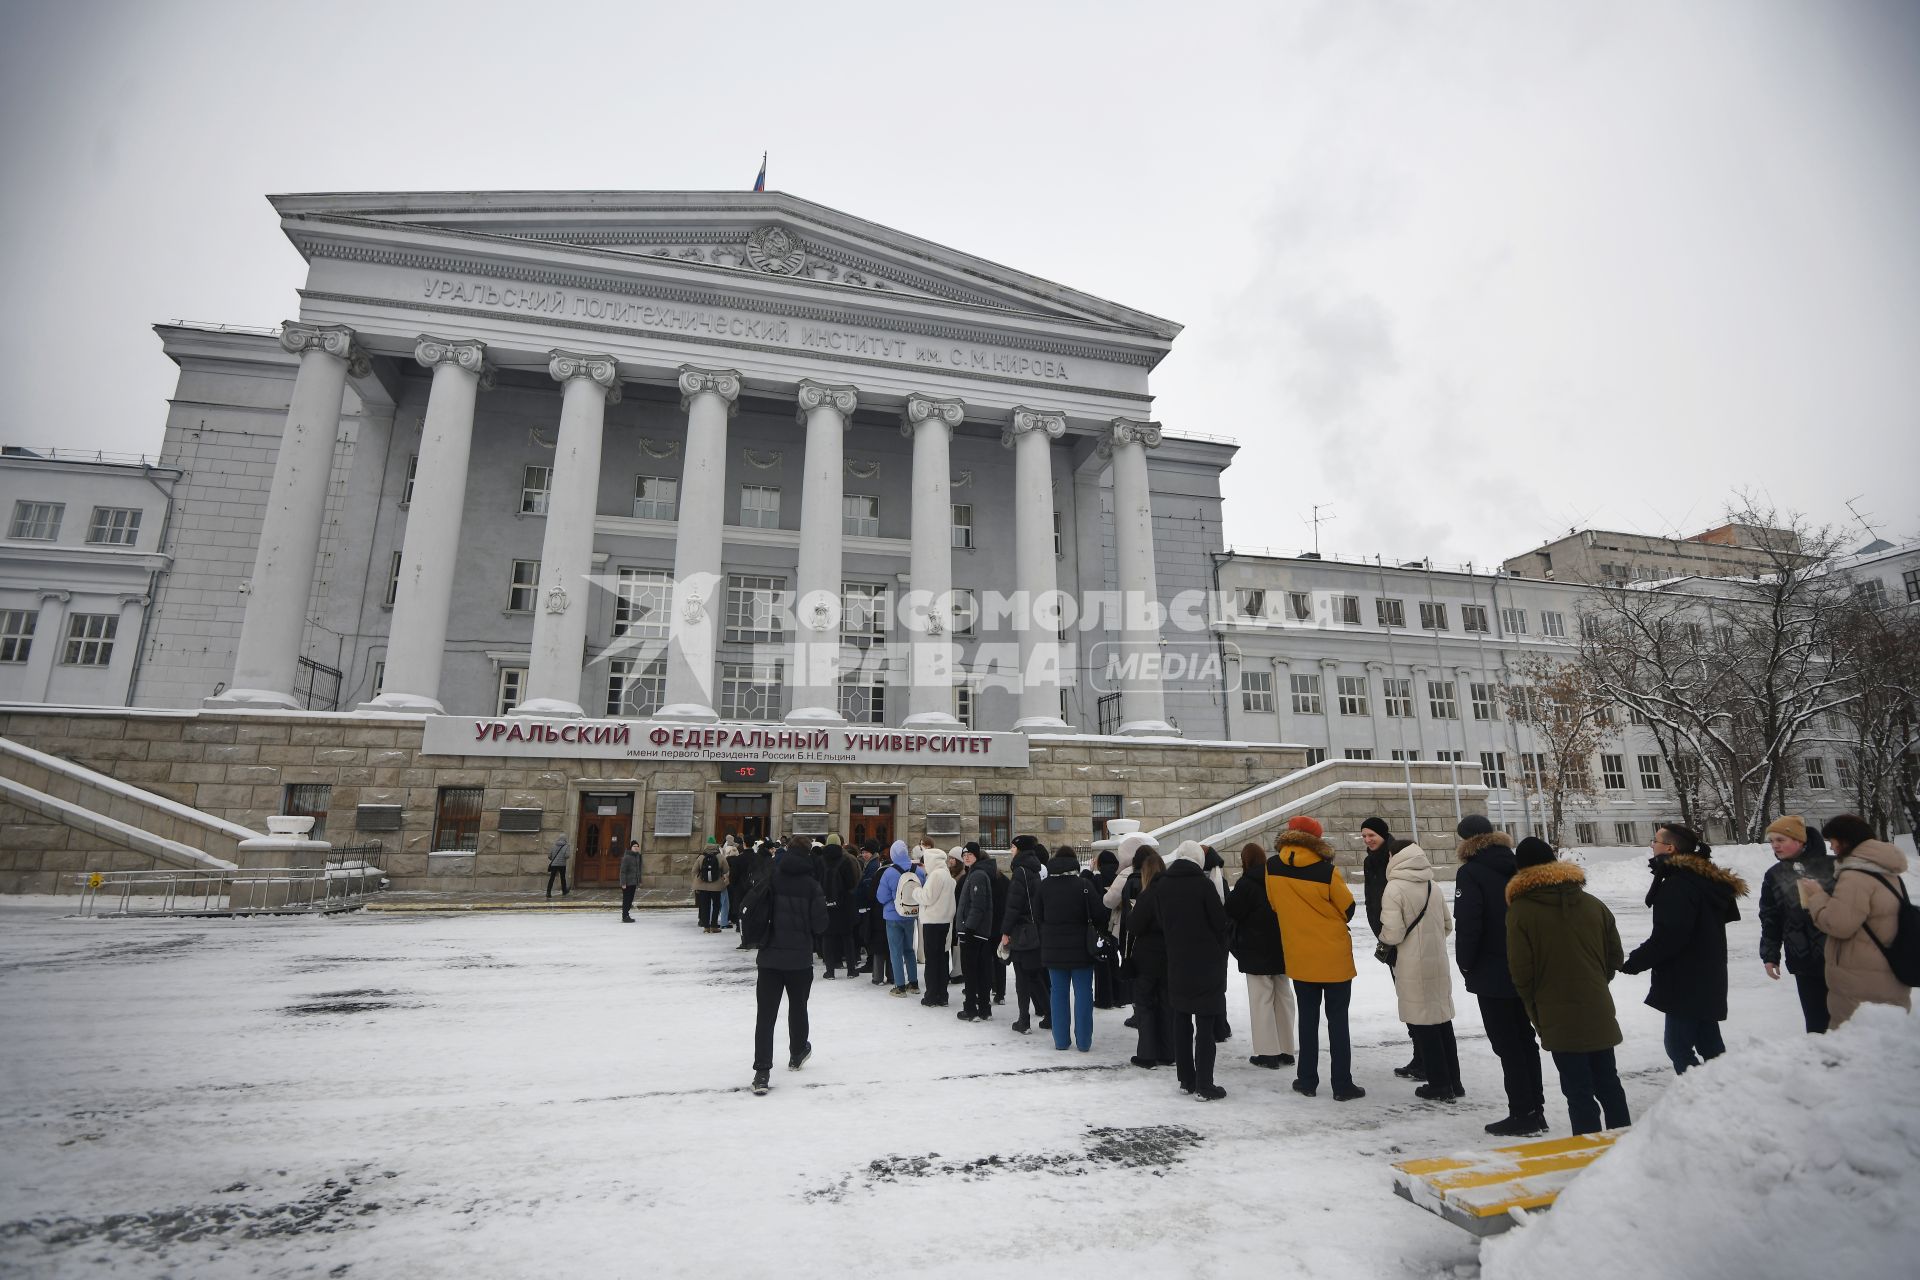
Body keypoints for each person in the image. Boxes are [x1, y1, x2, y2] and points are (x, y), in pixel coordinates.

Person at [1505, 838, 1631, 1136]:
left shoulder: (1520, 911)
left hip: (1554, 1010)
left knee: (1577, 1091)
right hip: (1598, 1005)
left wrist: (1534, 1004)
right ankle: (1625, 1150)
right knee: (1609, 1082)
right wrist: (1595, 983)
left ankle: (1587, 1154)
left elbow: (1521, 972)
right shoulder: (1593, 904)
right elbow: (1615, 956)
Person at [1619, 823, 1748, 1074]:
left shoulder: (1678, 885)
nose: (1652, 845)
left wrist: (1634, 962)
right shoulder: (1702, 879)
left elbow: (1670, 936)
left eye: (1655, 841)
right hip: (1706, 975)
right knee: (1710, 1045)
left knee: (1678, 1046)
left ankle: (1698, 1099)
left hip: (1686, 980)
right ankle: (1726, 1092)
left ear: (1670, 848)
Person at [1454, 816, 1546, 1135]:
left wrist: (1465, 964)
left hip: (1491, 970)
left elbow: (1469, 924)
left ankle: (1522, 1113)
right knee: (1525, 1039)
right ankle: (1536, 1108)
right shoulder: (1517, 864)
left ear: (1465, 840)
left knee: (1507, 1044)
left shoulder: (1471, 872)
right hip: (1524, 965)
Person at [1265, 815, 1364, 1101]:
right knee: (1338, 1023)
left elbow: (1274, 904)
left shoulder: (1272, 867)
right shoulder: (1325, 870)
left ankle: (1306, 1079)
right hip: (1333, 956)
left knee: (1307, 1021)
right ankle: (1342, 1085)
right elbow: (1347, 908)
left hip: (1300, 955)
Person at [1799, 813, 1913, 1027]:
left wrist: (1817, 896)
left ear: (1845, 841)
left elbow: (1838, 924)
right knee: (1886, 1044)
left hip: (1860, 980)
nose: (1831, 848)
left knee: (1856, 1047)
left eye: (1832, 841)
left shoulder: (1855, 876)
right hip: (1887, 971)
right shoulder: (1885, 870)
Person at [1139, 840, 1232, 1099]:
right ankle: (1205, 1084)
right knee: (1204, 1024)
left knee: (1180, 1020)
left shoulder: (1163, 885)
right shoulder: (1203, 885)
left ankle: (1186, 1079)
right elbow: (1220, 921)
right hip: (1206, 964)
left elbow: (1160, 919)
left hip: (1176, 961)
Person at [1380, 841, 1460, 1102]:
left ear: (1395, 857)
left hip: (1411, 963)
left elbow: (1393, 933)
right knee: (1442, 1021)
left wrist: (1384, 940)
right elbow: (1448, 925)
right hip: (1437, 961)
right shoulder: (1432, 885)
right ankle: (1454, 1082)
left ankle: (1439, 1085)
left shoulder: (1394, 888)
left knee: (1424, 1024)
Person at [749, 837, 830, 1096]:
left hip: (770, 957)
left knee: (766, 1016)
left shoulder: (772, 877)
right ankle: (797, 1053)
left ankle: (762, 1071)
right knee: (798, 1007)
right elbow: (820, 925)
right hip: (799, 959)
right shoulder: (811, 885)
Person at [1758, 815, 1835, 1033]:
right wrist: (1770, 955)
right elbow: (1770, 918)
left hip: (1840, 957)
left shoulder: (1833, 866)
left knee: (1847, 1024)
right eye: (1772, 841)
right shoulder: (1775, 874)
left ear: (1800, 840)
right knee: (1817, 1026)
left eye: (1781, 840)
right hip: (1803, 960)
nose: (1775, 846)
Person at [1360, 817, 1422, 1081]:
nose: (1368, 840)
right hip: (1387, 937)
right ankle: (1420, 1054)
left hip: (1403, 937)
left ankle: (1424, 1056)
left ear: (1384, 834)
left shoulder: (1396, 855)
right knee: (1406, 999)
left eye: (1372, 835)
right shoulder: (1369, 861)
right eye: (1364, 836)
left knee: (1415, 1000)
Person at [1226, 842, 1295, 1070]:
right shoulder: (1278, 879)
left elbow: (1232, 911)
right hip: (1282, 946)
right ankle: (1286, 1049)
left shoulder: (1246, 884)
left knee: (1261, 999)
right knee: (1284, 996)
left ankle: (1267, 1053)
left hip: (1255, 949)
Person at [1034, 844, 1106, 1052]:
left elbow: (1038, 917)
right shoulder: (1084, 885)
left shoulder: (1044, 886)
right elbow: (1099, 914)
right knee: (1083, 993)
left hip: (1053, 948)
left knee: (1058, 993)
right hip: (1082, 948)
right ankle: (1084, 1042)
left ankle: (1061, 1041)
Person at [1125, 849, 1176, 1068]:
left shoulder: (1147, 896)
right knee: (1166, 1005)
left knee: (1145, 1005)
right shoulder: (1174, 893)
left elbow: (1134, 926)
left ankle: (1147, 1054)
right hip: (1169, 956)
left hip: (1146, 958)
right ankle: (1167, 1052)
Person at [1000, 836, 1051, 1033]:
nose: (1011, 850)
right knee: (1035, 974)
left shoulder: (1020, 871)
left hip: (1022, 931)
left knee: (1022, 977)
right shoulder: (1034, 869)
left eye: (1013, 847)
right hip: (1035, 929)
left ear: (1020, 850)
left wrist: (1005, 931)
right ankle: (1050, 1014)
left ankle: (1024, 1020)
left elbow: (1013, 905)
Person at [956, 846, 998, 1021]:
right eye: (964, 855)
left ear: (977, 856)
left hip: (974, 932)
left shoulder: (978, 875)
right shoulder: (974, 872)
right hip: (975, 931)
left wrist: (969, 928)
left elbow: (978, 905)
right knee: (980, 971)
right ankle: (984, 1008)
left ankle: (972, 1008)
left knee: (972, 972)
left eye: (970, 854)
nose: (966, 857)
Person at [915, 837, 957, 1006]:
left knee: (932, 961)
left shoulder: (935, 876)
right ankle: (942, 995)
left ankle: (931, 995)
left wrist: (916, 891)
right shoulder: (947, 874)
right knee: (942, 959)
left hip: (933, 922)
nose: (924, 866)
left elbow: (927, 897)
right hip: (945, 922)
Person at [877, 840, 923, 997]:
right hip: (911, 914)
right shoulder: (918, 870)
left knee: (895, 951)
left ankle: (900, 986)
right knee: (909, 949)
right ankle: (914, 983)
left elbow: (881, 897)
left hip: (893, 916)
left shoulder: (889, 872)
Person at [818, 842, 860, 979]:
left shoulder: (821, 862)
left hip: (825, 905)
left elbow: (816, 881)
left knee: (827, 938)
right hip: (844, 905)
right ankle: (851, 970)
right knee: (847, 937)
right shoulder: (845, 861)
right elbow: (851, 883)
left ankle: (830, 971)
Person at [856, 842, 891, 983]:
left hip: (875, 909)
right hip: (879, 910)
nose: (864, 855)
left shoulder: (875, 867)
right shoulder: (871, 864)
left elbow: (873, 890)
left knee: (876, 941)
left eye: (866, 852)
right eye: (862, 852)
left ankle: (876, 973)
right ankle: (889, 974)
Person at [692, 837, 731, 933]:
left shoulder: (701, 857)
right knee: (716, 905)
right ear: (716, 845)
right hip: (716, 886)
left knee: (705, 906)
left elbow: (694, 870)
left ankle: (706, 927)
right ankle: (714, 926)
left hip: (702, 886)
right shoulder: (720, 856)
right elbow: (726, 869)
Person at [618, 839, 642, 923]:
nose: (636, 848)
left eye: (637, 846)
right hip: (627, 883)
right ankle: (624, 916)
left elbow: (639, 870)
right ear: (631, 847)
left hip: (634, 882)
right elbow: (623, 871)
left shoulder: (638, 856)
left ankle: (627, 914)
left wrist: (639, 881)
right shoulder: (627, 857)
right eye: (634, 846)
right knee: (626, 899)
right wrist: (623, 883)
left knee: (630, 899)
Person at [545, 834, 571, 898]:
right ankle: (564, 891)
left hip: (554, 865)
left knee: (552, 878)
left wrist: (554, 860)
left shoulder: (554, 845)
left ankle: (548, 892)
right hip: (562, 865)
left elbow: (549, 856)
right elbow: (567, 856)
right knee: (563, 878)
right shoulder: (566, 846)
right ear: (565, 839)